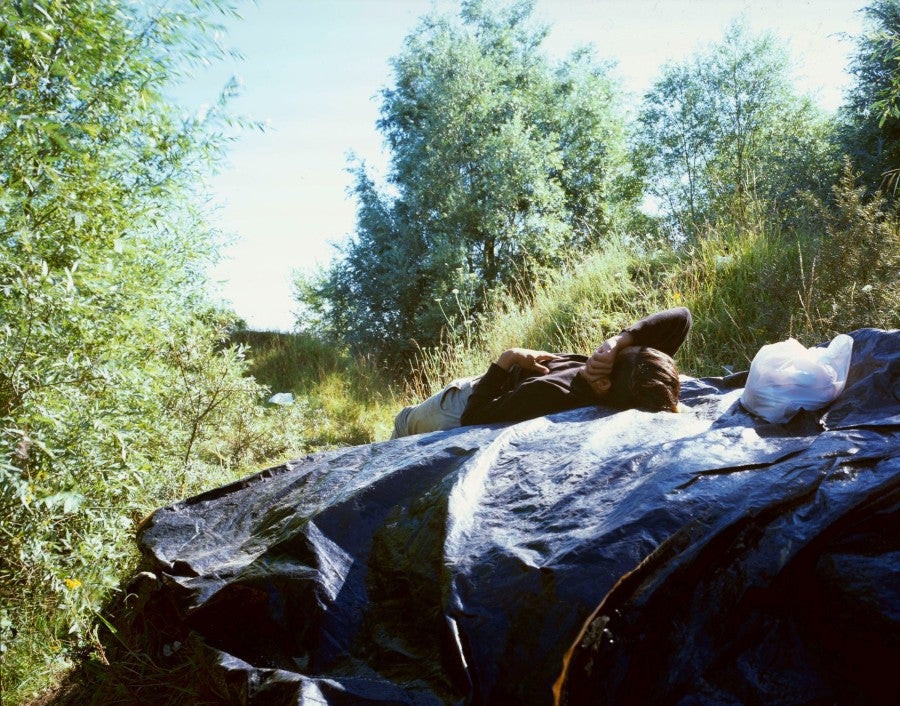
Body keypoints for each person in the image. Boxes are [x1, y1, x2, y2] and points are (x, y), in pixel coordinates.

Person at [391, 307, 691, 438]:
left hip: (459, 405)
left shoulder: (551, 393)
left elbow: (475, 417)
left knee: (404, 425)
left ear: (602, 384)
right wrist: (622, 340)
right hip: (498, 389)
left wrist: (508, 358)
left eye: (618, 355)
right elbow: (682, 318)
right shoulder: (630, 377)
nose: (603, 352)